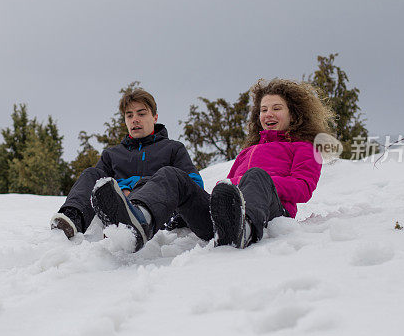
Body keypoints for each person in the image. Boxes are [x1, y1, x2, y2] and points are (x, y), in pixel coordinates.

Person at [91, 78, 334, 249]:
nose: (268, 114)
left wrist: (253, 183)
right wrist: (228, 191)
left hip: (268, 212)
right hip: (226, 214)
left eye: (276, 108)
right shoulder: (248, 150)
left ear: (294, 113)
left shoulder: (306, 147)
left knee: (256, 176)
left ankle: (244, 229)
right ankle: (137, 220)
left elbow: (303, 188)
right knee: (172, 174)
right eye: (263, 109)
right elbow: (227, 185)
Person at [50, 87, 203, 246]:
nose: (135, 119)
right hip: (120, 208)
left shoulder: (173, 148)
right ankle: (72, 219)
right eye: (129, 115)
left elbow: (192, 185)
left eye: (141, 114)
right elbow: (97, 188)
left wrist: (137, 188)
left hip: (160, 213)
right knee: (91, 174)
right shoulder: (112, 154)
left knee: (166, 175)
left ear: (155, 117)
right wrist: (121, 192)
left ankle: (133, 216)